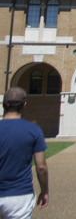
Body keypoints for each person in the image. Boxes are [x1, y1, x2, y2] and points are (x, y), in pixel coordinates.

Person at [0, 87, 49, 219]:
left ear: (4, 104)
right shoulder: (33, 130)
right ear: (24, 105)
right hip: (19, 194)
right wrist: (44, 191)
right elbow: (41, 166)